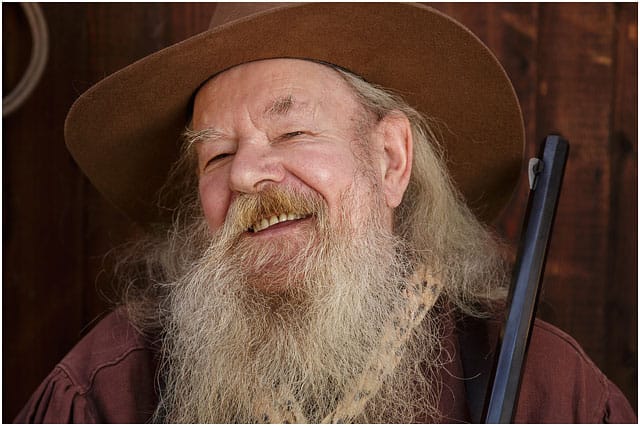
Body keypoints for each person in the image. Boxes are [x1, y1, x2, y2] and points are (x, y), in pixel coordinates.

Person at [15, 3, 636, 423]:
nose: (245, 174)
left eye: (293, 133)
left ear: (391, 160)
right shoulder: (109, 386)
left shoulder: (544, 385)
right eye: (217, 155)